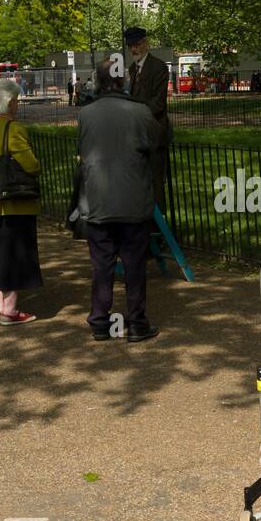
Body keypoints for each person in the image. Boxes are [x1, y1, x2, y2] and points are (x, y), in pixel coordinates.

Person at [77, 59, 161, 343]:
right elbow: (156, 144)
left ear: (99, 82)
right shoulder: (141, 112)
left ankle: (100, 321)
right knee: (135, 265)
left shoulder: (86, 114)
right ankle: (137, 323)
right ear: (122, 81)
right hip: (133, 202)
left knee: (102, 265)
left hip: (99, 201)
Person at [0, 78, 41, 325]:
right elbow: (31, 165)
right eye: (15, 100)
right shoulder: (14, 129)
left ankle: (0, 306)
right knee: (17, 255)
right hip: (15, 201)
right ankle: (11, 310)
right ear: (9, 102)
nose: (17, 105)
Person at [124, 27, 173, 215]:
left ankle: (160, 233)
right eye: (131, 47)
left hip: (154, 135)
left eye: (137, 45)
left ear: (145, 43)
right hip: (137, 135)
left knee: (156, 183)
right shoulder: (132, 69)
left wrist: (134, 113)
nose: (134, 50)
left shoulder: (158, 67)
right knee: (140, 182)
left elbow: (158, 103)